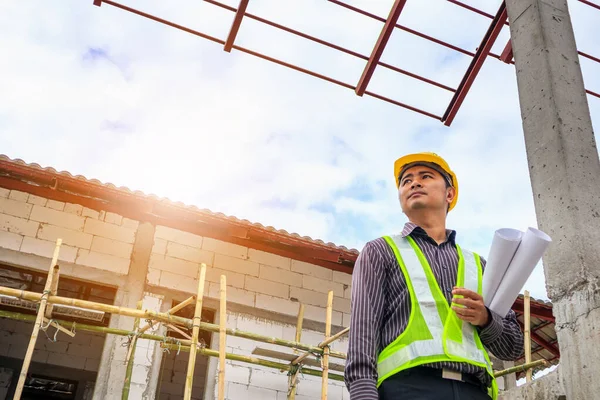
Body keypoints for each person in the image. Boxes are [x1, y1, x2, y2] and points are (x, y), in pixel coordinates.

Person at [344, 152, 524, 400]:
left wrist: (485, 318)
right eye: (406, 181)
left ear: (449, 194)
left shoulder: (479, 266)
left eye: (425, 176)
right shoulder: (381, 251)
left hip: (474, 391)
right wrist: (362, 394)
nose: (414, 183)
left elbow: (513, 345)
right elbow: (363, 332)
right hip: (407, 389)